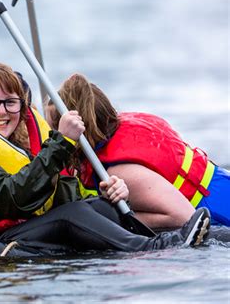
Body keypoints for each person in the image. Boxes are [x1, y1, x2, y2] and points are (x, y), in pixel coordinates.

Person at [0, 62, 210, 254]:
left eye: (11, 102)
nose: (1, 111)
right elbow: (9, 198)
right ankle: (153, 247)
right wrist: (61, 143)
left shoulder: (19, 144)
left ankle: (196, 237)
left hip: (24, 224)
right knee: (73, 217)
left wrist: (110, 194)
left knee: (99, 207)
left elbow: (62, 195)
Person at [46, 73, 229, 228]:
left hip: (218, 214)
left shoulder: (121, 171)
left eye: (55, 132)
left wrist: (116, 223)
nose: (51, 138)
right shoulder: (122, 127)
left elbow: (184, 217)